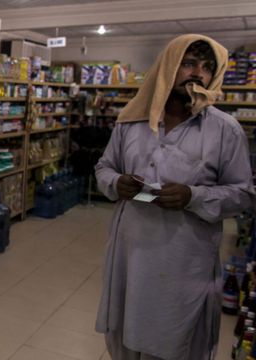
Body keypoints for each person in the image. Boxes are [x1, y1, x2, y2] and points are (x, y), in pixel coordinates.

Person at [95, 34, 255, 359]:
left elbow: (242, 194)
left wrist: (192, 196)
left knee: (173, 341)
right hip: (130, 252)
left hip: (183, 260)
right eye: (189, 63)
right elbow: (104, 167)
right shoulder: (132, 120)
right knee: (124, 337)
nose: (199, 73)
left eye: (208, 67)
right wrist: (116, 183)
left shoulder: (225, 130)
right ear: (169, 66)